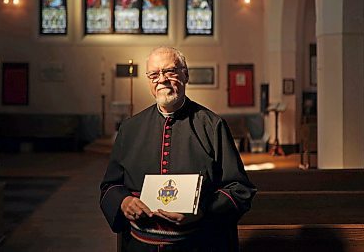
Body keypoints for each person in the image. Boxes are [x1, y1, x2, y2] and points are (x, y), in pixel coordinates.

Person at [100, 47, 256, 251]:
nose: (162, 79)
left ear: (186, 75)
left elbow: (239, 189)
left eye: (170, 71)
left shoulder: (212, 125)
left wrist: (201, 211)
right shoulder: (130, 129)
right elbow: (110, 186)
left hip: (198, 244)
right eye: (154, 74)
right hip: (141, 246)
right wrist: (123, 201)